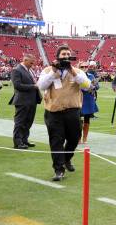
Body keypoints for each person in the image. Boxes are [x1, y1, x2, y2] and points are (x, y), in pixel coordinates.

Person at [37, 45, 91, 181]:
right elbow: (41, 86)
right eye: (63, 54)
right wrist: (53, 72)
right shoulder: (48, 70)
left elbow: (87, 86)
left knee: (74, 138)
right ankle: (59, 169)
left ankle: (66, 159)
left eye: (68, 54)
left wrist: (73, 71)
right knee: (56, 141)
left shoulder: (77, 71)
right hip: (53, 111)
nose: (66, 56)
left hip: (72, 111)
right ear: (57, 56)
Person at [10, 54, 41, 149]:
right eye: (31, 62)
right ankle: (18, 142)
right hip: (22, 100)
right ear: (25, 60)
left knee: (28, 122)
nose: (33, 64)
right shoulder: (17, 70)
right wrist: (33, 86)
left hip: (31, 100)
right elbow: (17, 85)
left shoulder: (30, 70)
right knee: (20, 122)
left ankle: (24, 140)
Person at [80, 61, 99, 144]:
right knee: (78, 119)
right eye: (82, 67)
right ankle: (78, 138)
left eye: (85, 67)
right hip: (79, 99)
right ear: (79, 68)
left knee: (87, 119)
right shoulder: (77, 76)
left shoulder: (91, 76)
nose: (84, 68)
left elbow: (97, 86)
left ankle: (85, 138)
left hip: (89, 99)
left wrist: (93, 87)